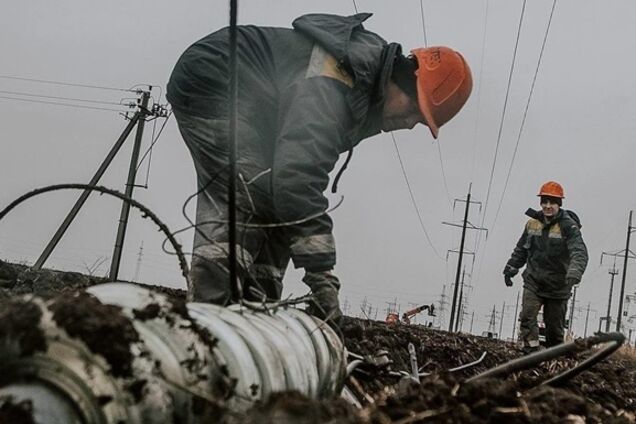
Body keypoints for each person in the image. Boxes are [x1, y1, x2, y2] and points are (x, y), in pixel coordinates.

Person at [167, 13, 473, 324]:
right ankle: (208, 320)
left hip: (260, 103)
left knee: (278, 204)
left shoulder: (360, 96)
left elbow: (293, 191)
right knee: (248, 191)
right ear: (403, 82)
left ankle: (255, 315)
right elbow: (298, 178)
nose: (409, 125)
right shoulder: (336, 79)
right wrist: (322, 277)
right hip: (217, 78)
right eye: (414, 111)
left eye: (420, 123)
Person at [503, 181, 588, 352]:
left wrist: (574, 272)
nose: (548, 206)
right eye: (544, 202)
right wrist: (511, 267)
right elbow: (521, 249)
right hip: (534, 281)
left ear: (559, 204)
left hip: (558, 286)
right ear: (541, 203)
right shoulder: (532, 224)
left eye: (552, 202)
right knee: (527, 316)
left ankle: (553, 358)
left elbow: (579, 252)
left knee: (554, 330)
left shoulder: (568, 226)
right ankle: (530, 351)